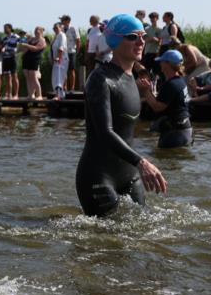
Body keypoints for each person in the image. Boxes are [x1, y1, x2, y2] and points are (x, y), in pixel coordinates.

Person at [76, 14, 167, 216]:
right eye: (133, 37)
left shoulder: (132, 78)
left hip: (130, 176)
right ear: (116, 41)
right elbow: (105, 132)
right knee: (104, 242)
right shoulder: (100, 79)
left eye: (143, 36)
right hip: (99, 176)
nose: (141, 42)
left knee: (142, 236)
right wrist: (142, 162)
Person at [138, 50, 192, 148]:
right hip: (183, 130)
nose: (160, 64)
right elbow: (161, 102)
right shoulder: (179, 81)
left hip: (175, 133)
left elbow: (157, 107)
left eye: (162, 61)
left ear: (168, 64)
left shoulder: (172, 84)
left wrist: (145, 91)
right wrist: (149, 91)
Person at [19, 26, 46, 99]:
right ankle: (30, 94)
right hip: (26, 59)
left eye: (37, 30)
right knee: (27, 77)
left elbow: (35, 49)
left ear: (41, 31)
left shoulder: (42, 40)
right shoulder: (31, 39)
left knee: (33, 77)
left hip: (35, 59)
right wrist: (22, 46)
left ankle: (39, 95)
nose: (36, 31)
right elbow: (24, 48)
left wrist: (26, 45)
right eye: (35, 30)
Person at [0, 24, 20, 98]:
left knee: (14, 76)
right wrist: (2, 49)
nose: (4, 30)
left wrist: (16, 50)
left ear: (10, 28)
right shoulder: (4, 38)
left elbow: (21, 44)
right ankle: (9, 94)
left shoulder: (16, 36)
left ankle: (16, 94)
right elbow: (2, 47)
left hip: (13, 58)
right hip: (5, 58)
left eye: (6, 28)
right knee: (7, 77)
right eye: (4, 28)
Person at [61, 15, 80, 92]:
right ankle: (64, 87)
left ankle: (72, 88)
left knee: (71, 70)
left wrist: (77, 51)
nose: (62, 21)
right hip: (63, 52)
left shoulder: (73, 28)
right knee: (64, 70)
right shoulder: (61, 29)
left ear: (68, 21)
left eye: (63, 20)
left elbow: (78, 40)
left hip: (71, 51)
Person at [50, 22, 68, 100]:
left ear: (61, 27)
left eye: (56, 27)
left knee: (59, 78)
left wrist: (59, 58)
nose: (55, 29)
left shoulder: (62, 35)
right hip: (56, 60)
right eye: (54, 28)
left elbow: (62, 47)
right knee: (56, 77)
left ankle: (58, 96)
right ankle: (60, 95)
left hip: (61, 59)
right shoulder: (56, 36)